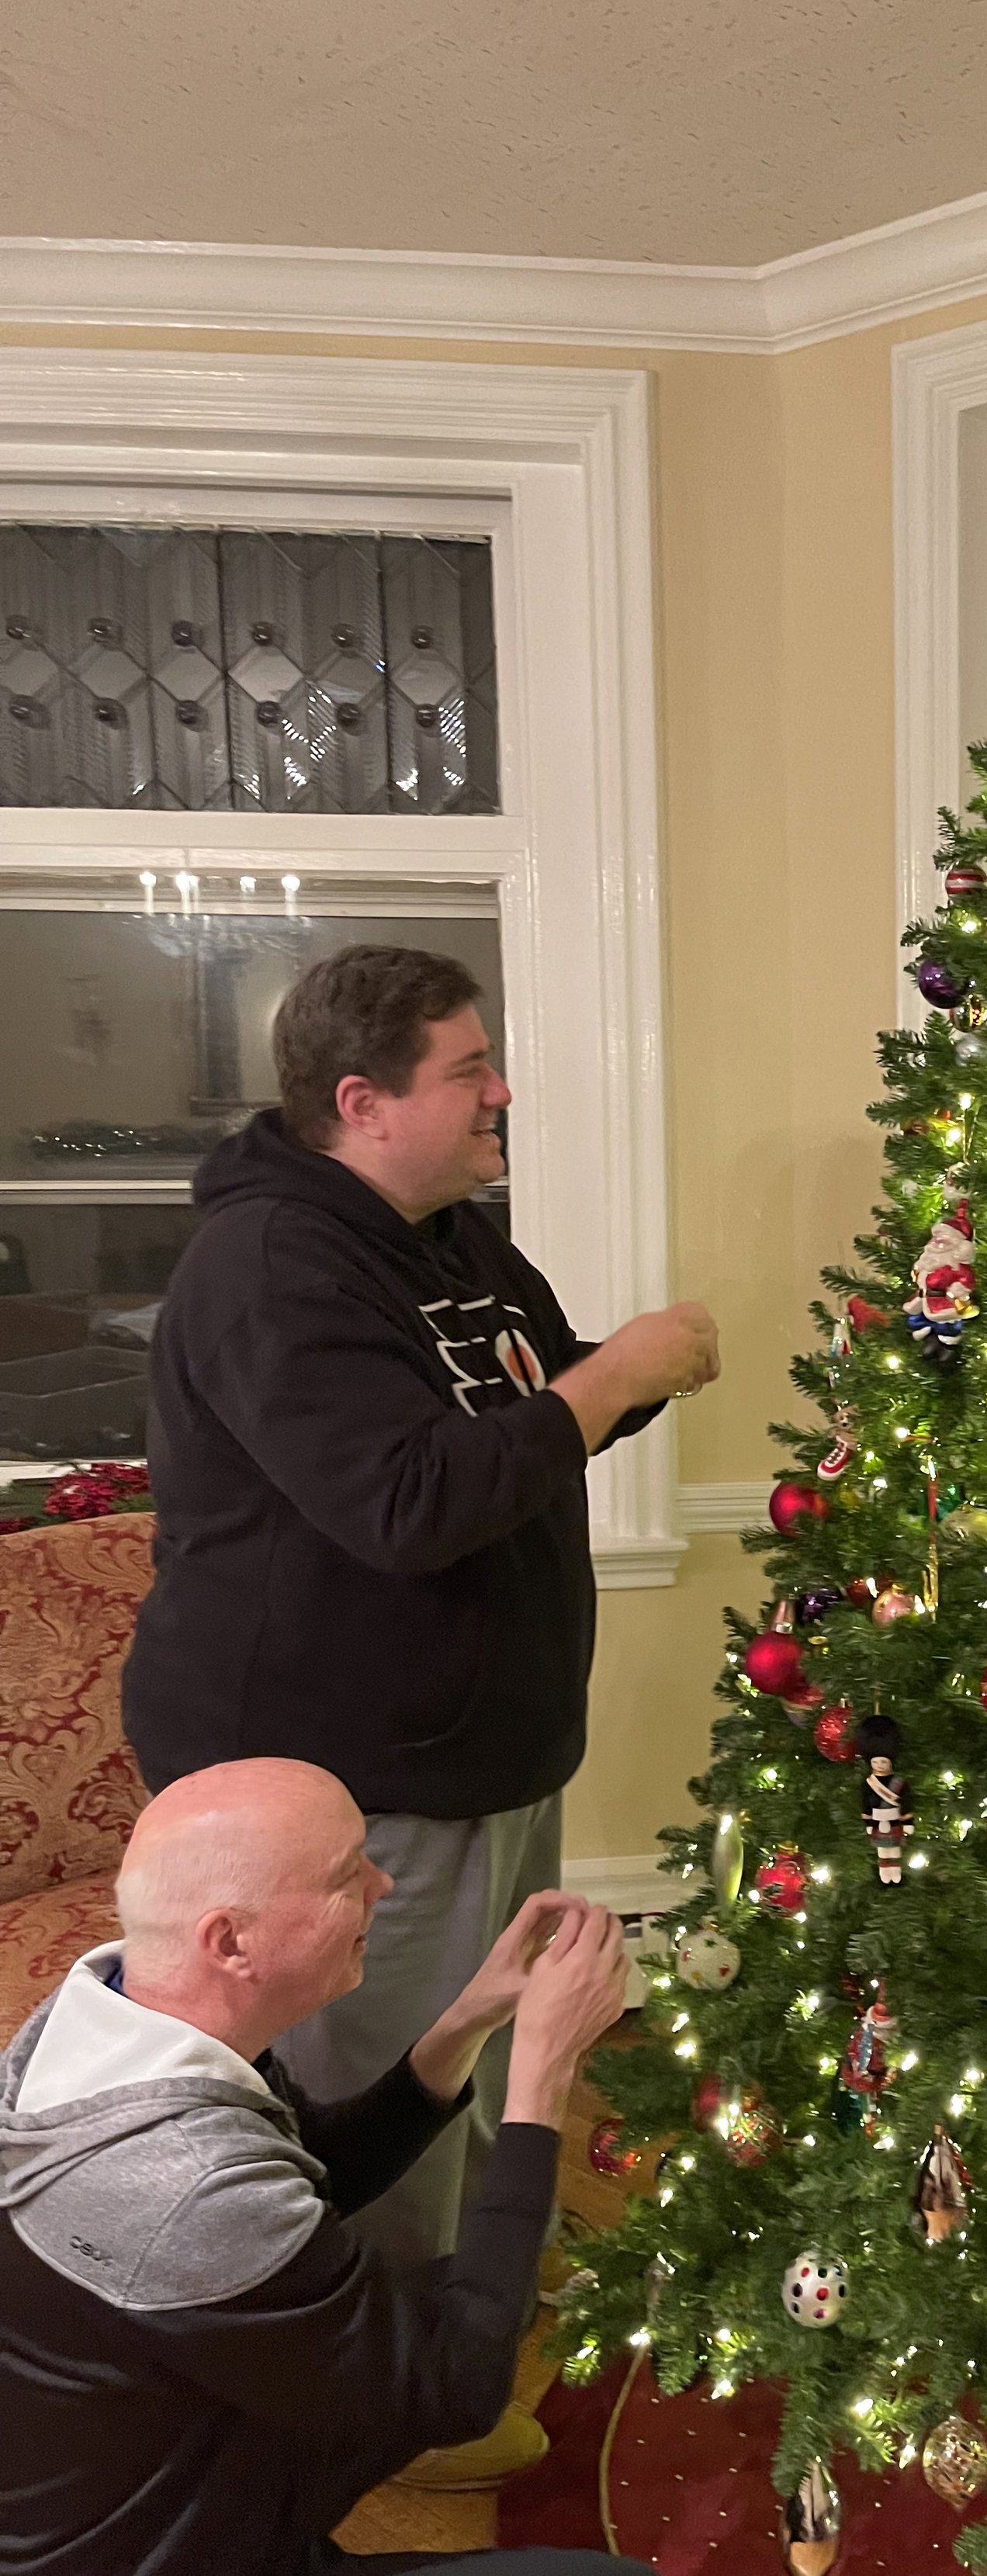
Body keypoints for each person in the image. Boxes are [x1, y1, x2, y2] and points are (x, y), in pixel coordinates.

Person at [122, 944, 717, 2476]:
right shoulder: (271, 1265)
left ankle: (463, 2275)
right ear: (362, 1099)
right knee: (372, 2081)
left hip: (479, 1749)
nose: (500, 1087)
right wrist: (615, 1379)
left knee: (462, 2037)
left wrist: (622, 1377)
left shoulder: (445, 1242)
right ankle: (389, 2400)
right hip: (353, 1771)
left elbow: (516, 1402)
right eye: (469, 1066)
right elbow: (404, 1499)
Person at [0, 1757, 655, 2576]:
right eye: (348, 1871)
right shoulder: (185, 2188)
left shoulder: (111, 2017)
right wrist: (542, 2079)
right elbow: (461, 2387)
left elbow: (305, 2177)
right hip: (163, 2552)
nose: (383, 1884)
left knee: (435, 2294)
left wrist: (469, 2019)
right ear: (230, 1940)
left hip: (165, 2462)